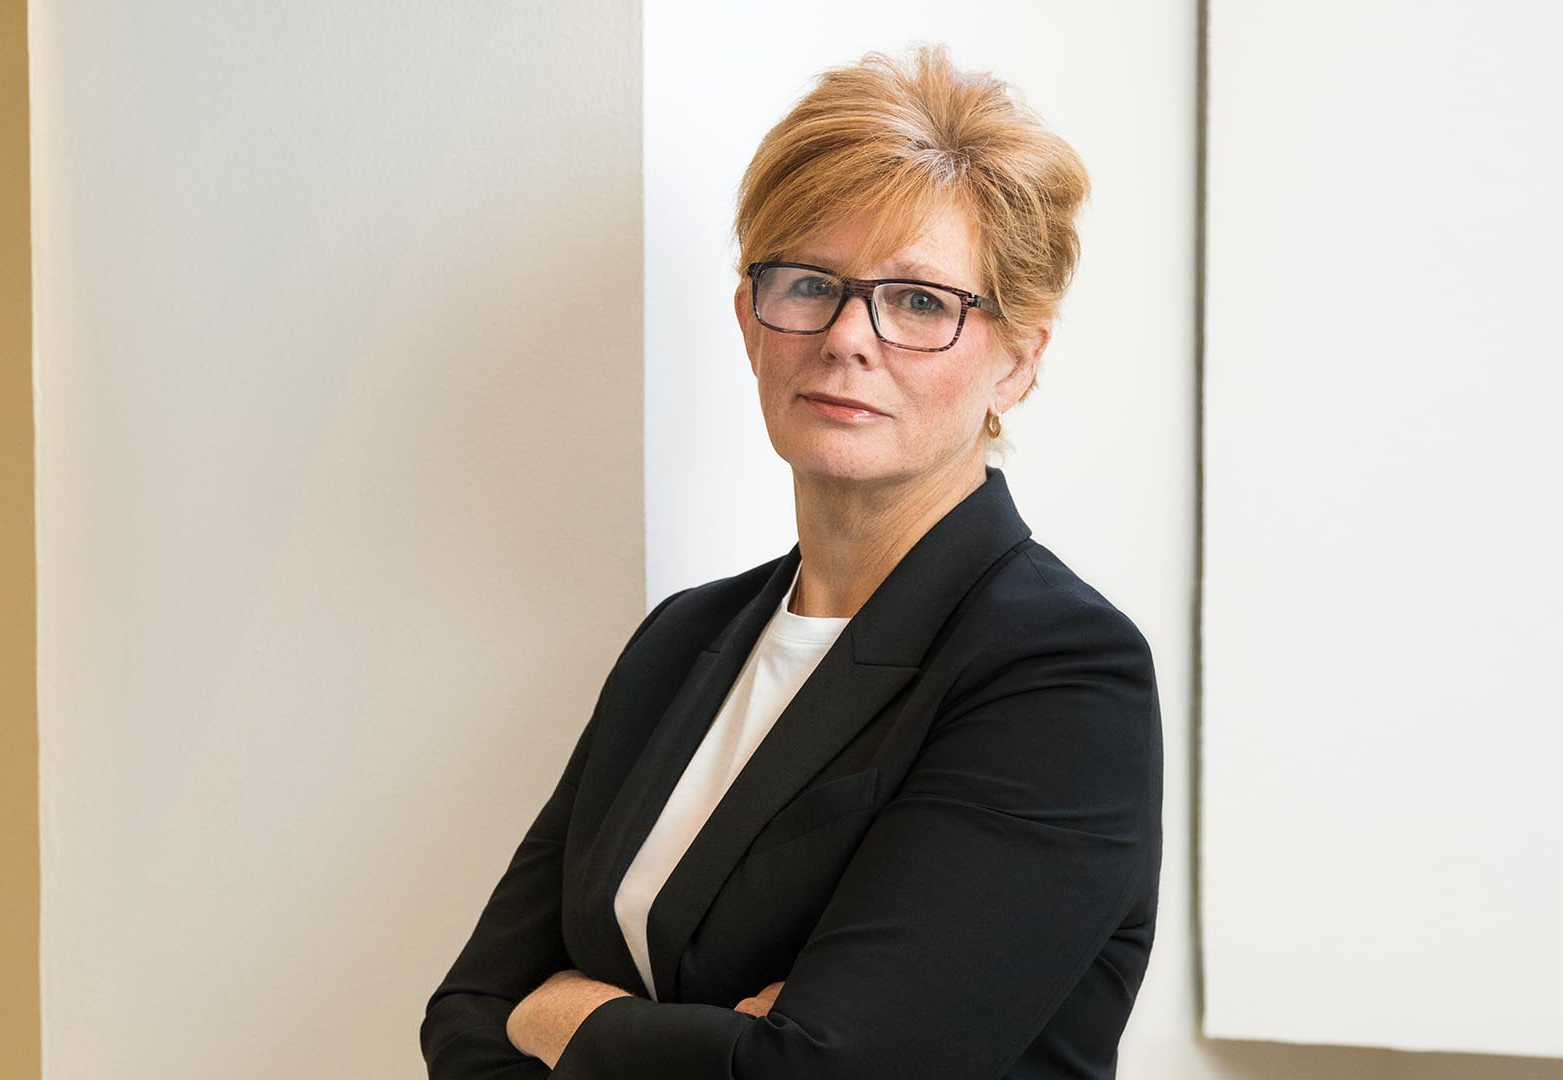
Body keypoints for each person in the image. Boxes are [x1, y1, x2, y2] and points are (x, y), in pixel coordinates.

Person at [421, 44, 1163, 1079]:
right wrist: (722, 1037)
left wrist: (562, 1019)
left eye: (919, 301)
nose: (849, 336)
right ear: (750, 321)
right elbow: (463, 1018)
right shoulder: (681, 641)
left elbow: (821, 1072)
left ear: (1018, 362)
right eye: (811, 282)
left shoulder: (1058, 673)